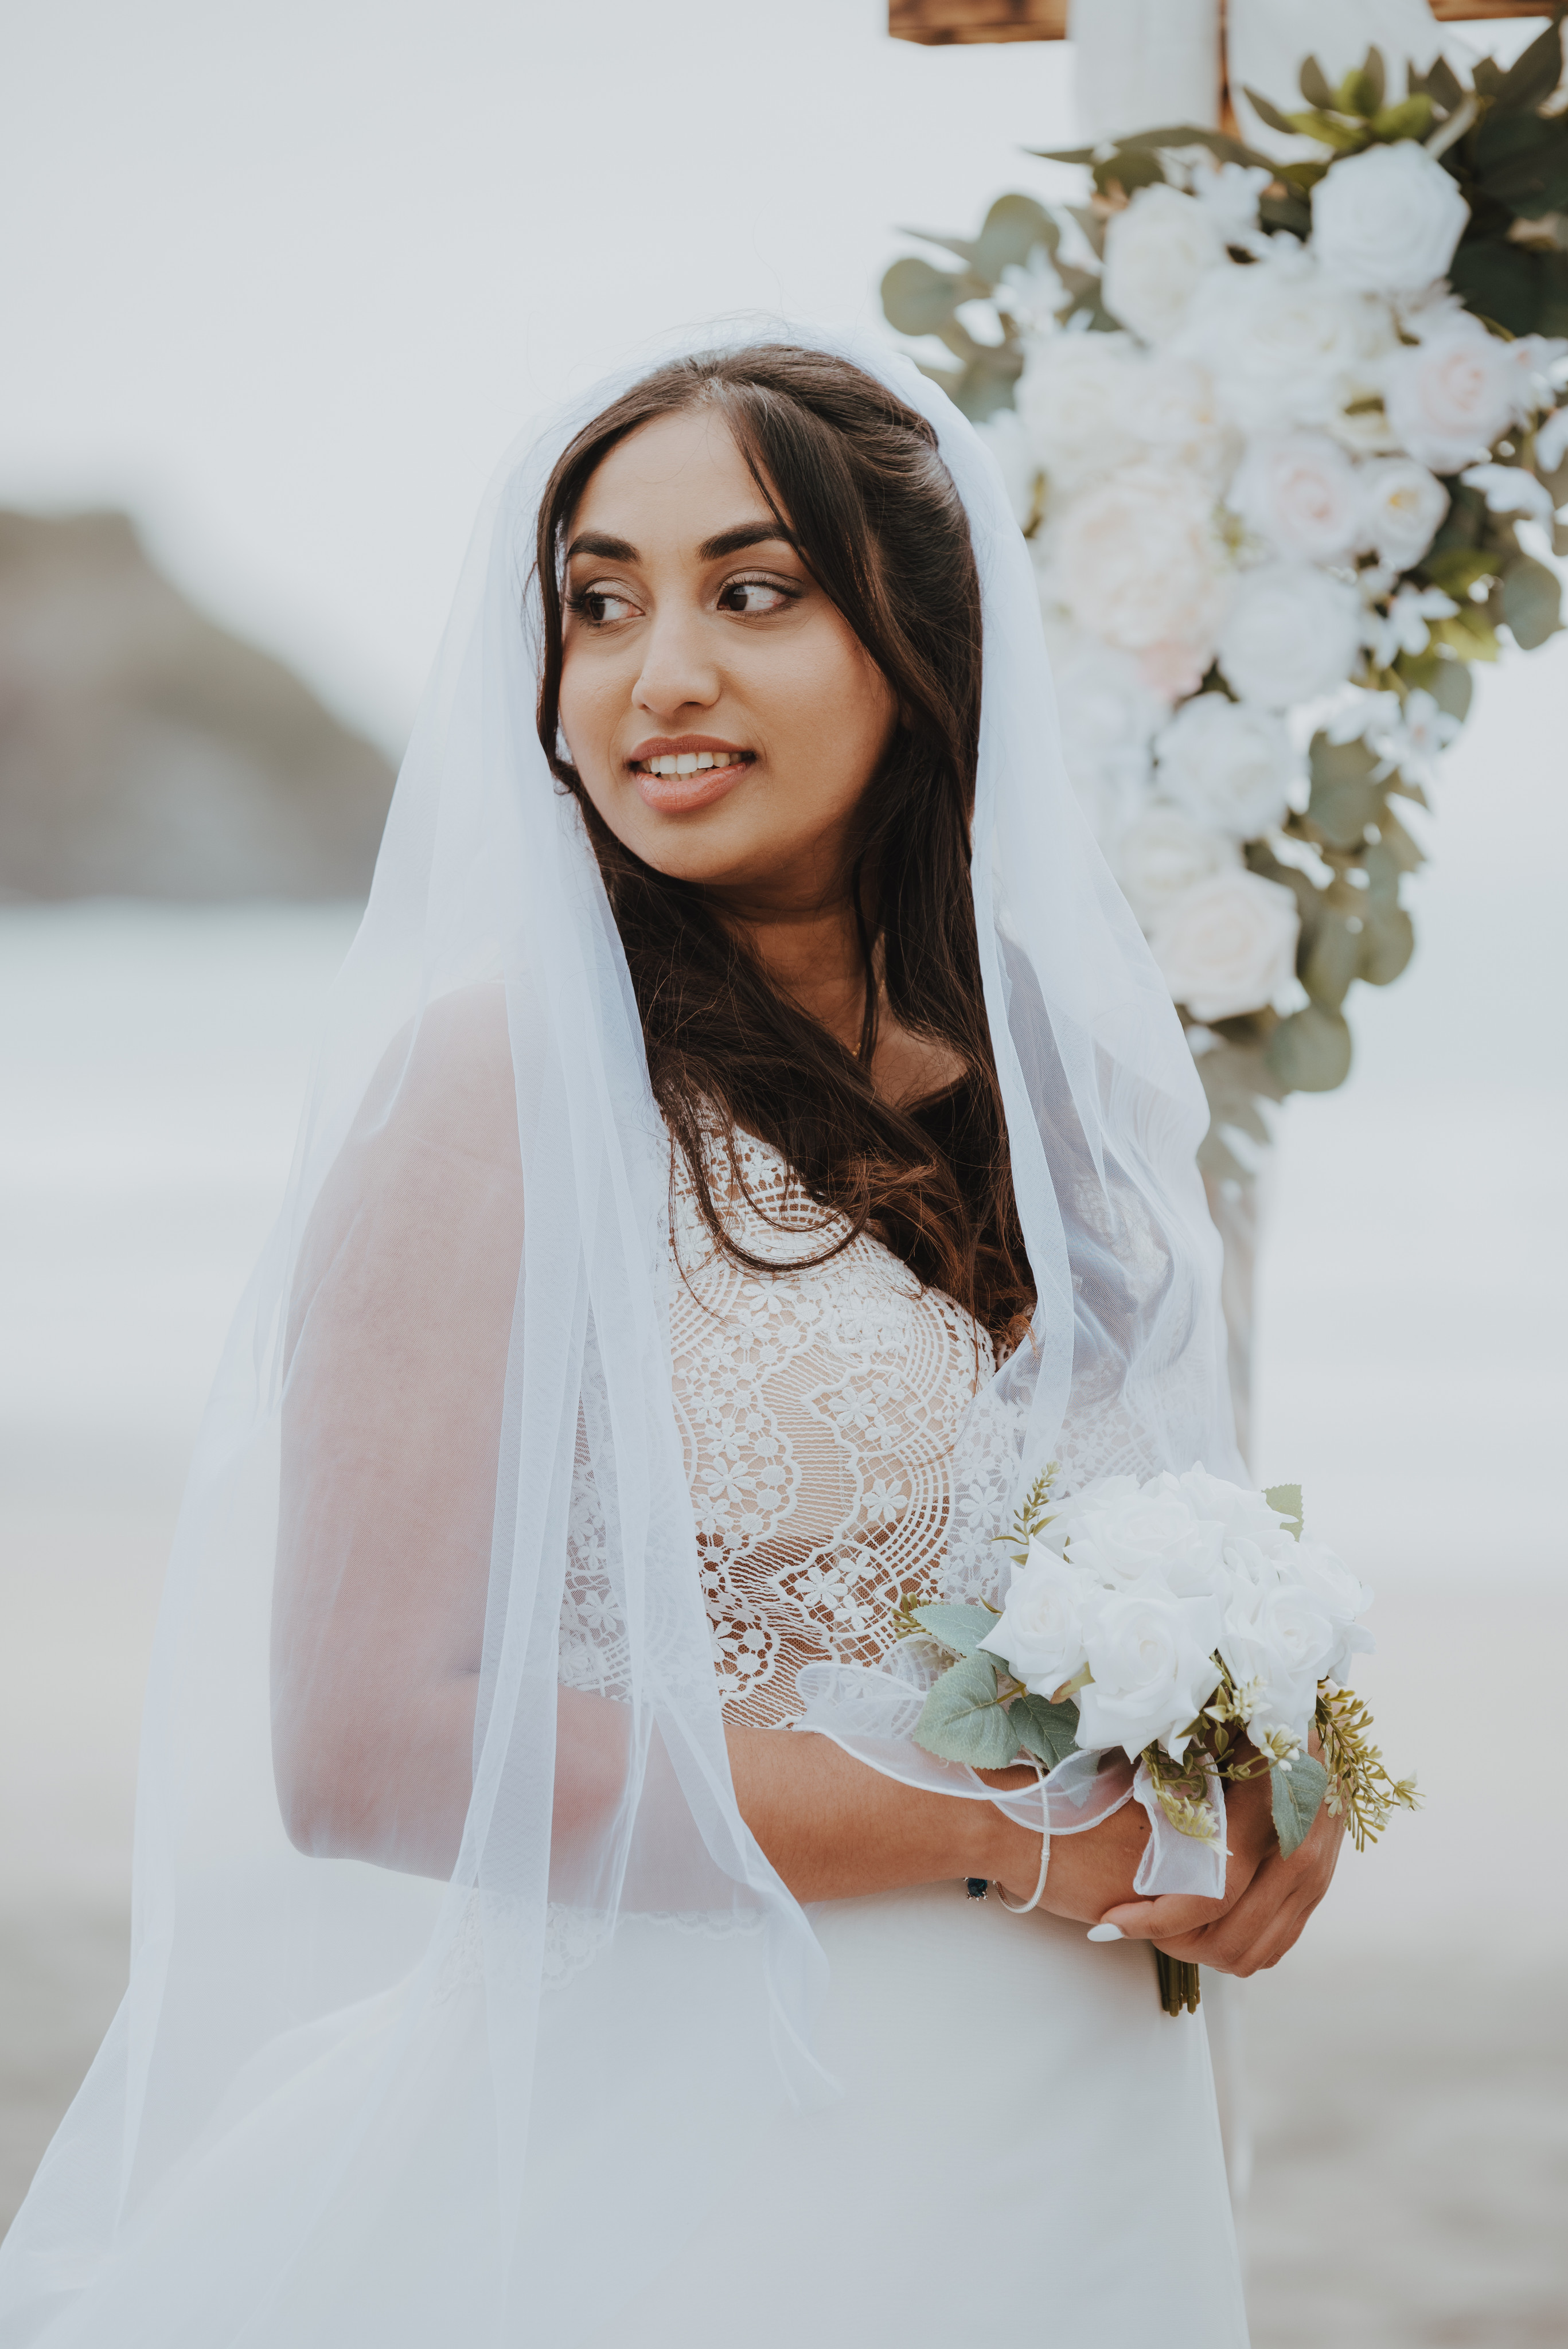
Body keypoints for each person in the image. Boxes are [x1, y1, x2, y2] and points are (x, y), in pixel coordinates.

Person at [0, 331, 1340, 2348]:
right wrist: (1004, 1838)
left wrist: (1275, 1782)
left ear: (925, 645)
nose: (659, 674)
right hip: (708, 2127)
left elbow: (1141, 1562)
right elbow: (365, 1748)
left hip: (1073, 2128)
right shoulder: (507, 1088)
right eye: (600, 604)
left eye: (752, 591)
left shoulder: (1064, 1092)